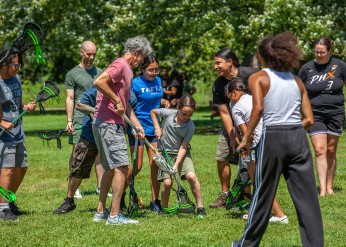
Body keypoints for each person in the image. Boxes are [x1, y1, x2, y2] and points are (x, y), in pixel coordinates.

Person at [232, 32, 324, 247]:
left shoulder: (258, 77)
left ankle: (246, 245)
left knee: (262, 194)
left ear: (263, 56)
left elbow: (258, 108)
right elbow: (309, 119)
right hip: (298, 138)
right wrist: (292, 129)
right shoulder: (297, 80)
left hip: (273, 137)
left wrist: (246, 138)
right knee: (308, 199)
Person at [92, 36, 151, 225]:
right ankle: (114, 215)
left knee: (110, 168)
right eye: (142, 58)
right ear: (137, 53)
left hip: (107, 122)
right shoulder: (121, 65)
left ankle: (101, 212)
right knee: (122, 167)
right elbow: (99, 82)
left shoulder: (128, 71)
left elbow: (126, 106)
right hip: (108, 123)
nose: (142, 62)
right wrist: (115, 100)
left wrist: (137, 125)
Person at [225, 77, 288, 224]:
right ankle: (257, 211)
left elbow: (248, 133)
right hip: (277, 137)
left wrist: (244, 149)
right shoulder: (253, 98)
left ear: (234, 92)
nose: (228, 98)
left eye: (228, 95)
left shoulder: (236, 107)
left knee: (260, 181)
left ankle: (280, 216)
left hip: (261, 143)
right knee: (256, 176)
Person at [210, 48, 258, 208]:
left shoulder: (251, 74)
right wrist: (232, 135)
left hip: (256, 123)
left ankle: (247, 195)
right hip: (232, 124)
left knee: (250, 159)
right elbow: (224, 112)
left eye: (218, 63)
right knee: (222, 155)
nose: (215, 66)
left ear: (230, 62)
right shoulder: (218, 84)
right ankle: (225, 193)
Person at [298, 37, 346, 196]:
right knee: (319, 150)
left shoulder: (339, 65)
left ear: (329, 51)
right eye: (316, 52)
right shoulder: (307, 68)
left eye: (322, 52)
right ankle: (323, 189)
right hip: (314, 113)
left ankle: (329, 186)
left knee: (331, 150)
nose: (319, 55)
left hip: (336, 112)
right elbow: (299, 90)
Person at [53, 86, 111, 215]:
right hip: (89, 135)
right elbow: (80, 105)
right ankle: (69, 200)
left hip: (110, 135)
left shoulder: (124, 89)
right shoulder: (98, 88)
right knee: (78, 167)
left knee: (114, 168)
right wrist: (95, 114)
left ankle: (117, 203)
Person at [126, 54, 170, 212]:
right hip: (137, 129)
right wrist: (135, 127)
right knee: (137, 166)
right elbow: (128, 106)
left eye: (156, 70)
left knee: (155, 165)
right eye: (151, 70)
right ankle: (121, 191)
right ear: (142, 69)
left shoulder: (158, 81)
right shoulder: (134, 84)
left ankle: (155, 201)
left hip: (154, 128)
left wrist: (163, 102)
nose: (154, 73)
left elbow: (156, 99)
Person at [150, 95, 206, 218]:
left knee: (191, 176)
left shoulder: (190, 126)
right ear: (178, 108)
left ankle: (201, 208)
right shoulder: (169, 114)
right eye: (184, 113)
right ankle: (164, 209)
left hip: (181, 154)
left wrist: (176, 165)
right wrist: (157, 127)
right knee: (168, 183)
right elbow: (153, 112)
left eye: (189, 115)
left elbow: (184, 147)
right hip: (165, 154)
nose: (186, 117)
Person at [0, 49, 36, 221]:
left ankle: (8, 201)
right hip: (3, 134)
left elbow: (16, 103)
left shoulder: (16, 79)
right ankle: (2, 209)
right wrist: (2, 123)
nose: (18, 68)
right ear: (5, 64)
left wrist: (24, 107)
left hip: (17, 131)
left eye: (19, 64)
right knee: (7, 169)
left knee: (21, 167)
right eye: (16, 65)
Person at [65, 41, 103, 199]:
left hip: (98, 118)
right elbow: (70, 98)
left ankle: (101, 187)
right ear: (81, 53)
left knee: (99, 153)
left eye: (94, 54)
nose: (91, 57)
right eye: (88, 54)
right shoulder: (72, 74)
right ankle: (75, 186)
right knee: (77, 152)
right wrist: (69, 120)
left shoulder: (100, 72)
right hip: (80, 119)